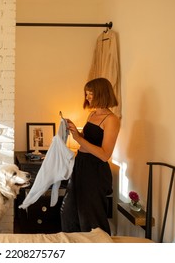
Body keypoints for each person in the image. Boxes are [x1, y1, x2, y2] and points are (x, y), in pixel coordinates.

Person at [60, 77, 120, 235]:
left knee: (91, 217)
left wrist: (79, 139)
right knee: (69, 211)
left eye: (90, 94)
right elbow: (86, 142)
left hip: (95, 171)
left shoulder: (112, 120)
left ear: (101, 93)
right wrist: (75, 132)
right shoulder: (92, 115)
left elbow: (105, 155)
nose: (87, 97)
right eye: (86, 94)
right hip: (81, 165)